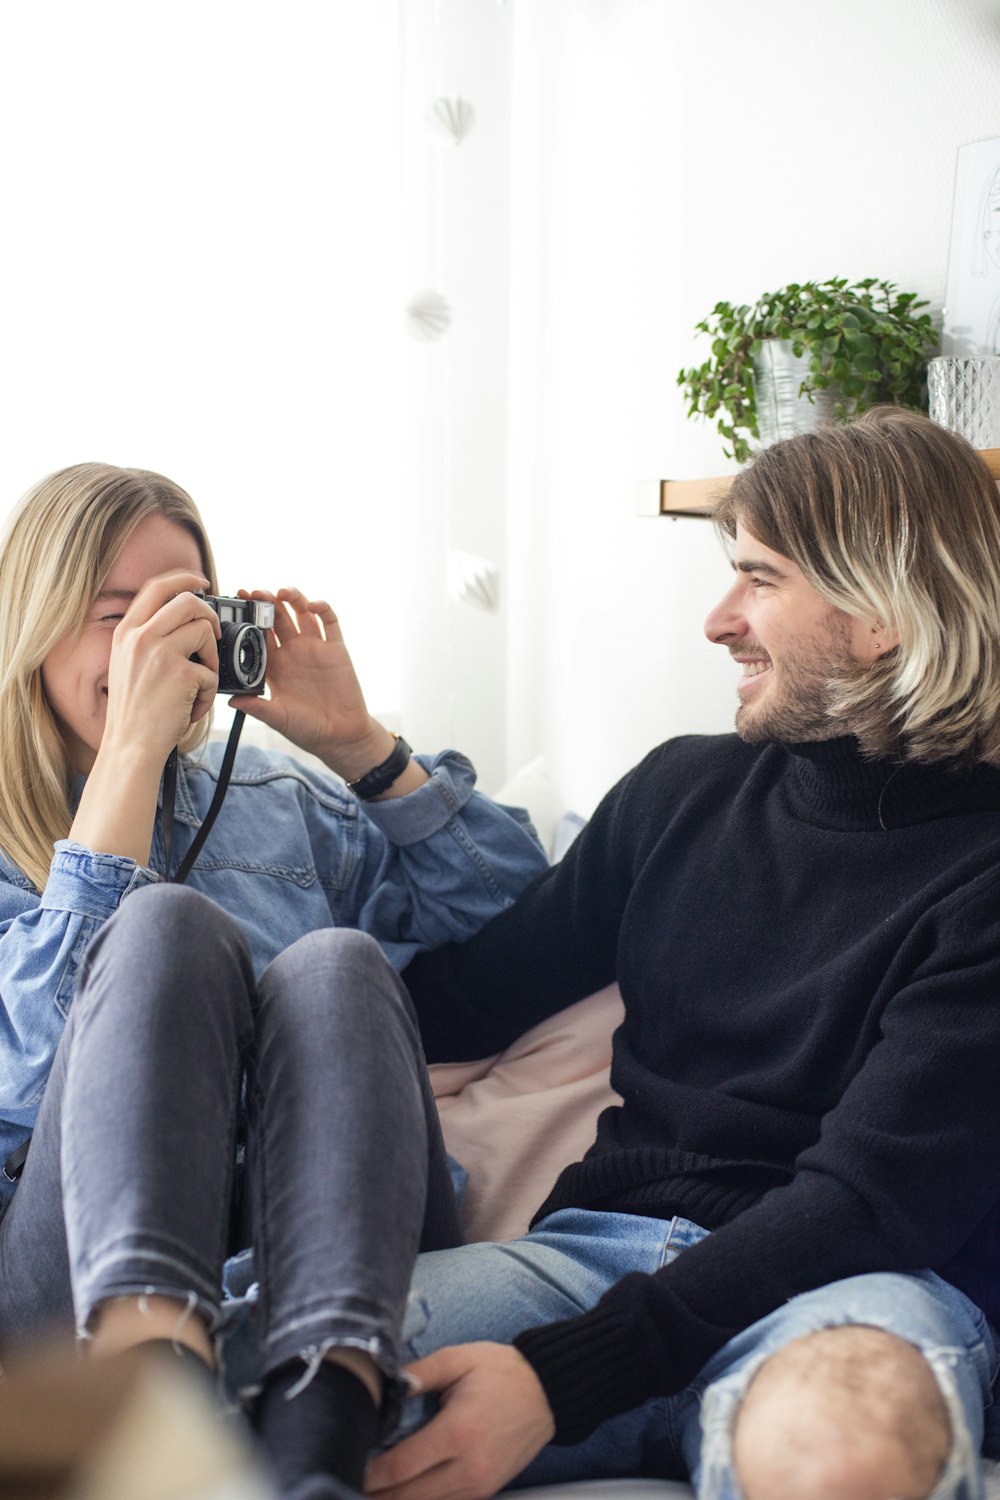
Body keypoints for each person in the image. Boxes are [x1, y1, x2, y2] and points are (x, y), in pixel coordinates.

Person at [359, 407, 1000, 1500]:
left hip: (855, 1290)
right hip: (582, 1260)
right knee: (222, 1368)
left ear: (882, 612)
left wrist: (560, 1383)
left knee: (839, 1447)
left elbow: (871, 1202)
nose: (717, 620)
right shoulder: (680, 792)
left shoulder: (982, 875)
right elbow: (459, 1002)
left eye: (758, 578)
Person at [0, 462, 548, 1497]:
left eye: (184, 612)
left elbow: (520, 921)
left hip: (320, 1248)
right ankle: (147, 1392)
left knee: (335, 963)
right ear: (33, 624)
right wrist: (125, 766)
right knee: (163, 927)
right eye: (117, 617)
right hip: (64, 1286)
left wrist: (359, 746)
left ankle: (316, 1437)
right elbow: (22, 1088)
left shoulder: (275, 800)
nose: (158, 645)